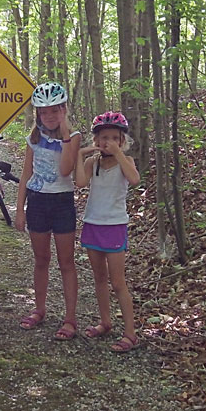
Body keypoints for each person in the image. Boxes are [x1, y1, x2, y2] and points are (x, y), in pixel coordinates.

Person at [15, 82, 81, 340]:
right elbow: (25, 174)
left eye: (55, 110)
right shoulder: (34, 138)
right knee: (41, 259)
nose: (49, 116)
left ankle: (70, 318)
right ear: (38, 114)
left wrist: (65, 133)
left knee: (66, 262)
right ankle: (39, 309)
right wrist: (20, 209)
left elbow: (66, 170)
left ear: (63, 110)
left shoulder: (73, 138)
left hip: (62, 202)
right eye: (44, 112)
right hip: (38, 202)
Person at [75, 111, 141, 352]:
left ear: (122, 140)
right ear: (97, 140)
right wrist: (82, 154)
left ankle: (130, 333)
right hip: (93, 224)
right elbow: (80, 182)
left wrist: (118, 153)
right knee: (99, 278)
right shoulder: (93, 163)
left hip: (114, 226)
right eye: (104, 138)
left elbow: (134, 179)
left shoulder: (127, 162)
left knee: (118, 282)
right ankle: (105, 321)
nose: (109, 142)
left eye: (115, 137)